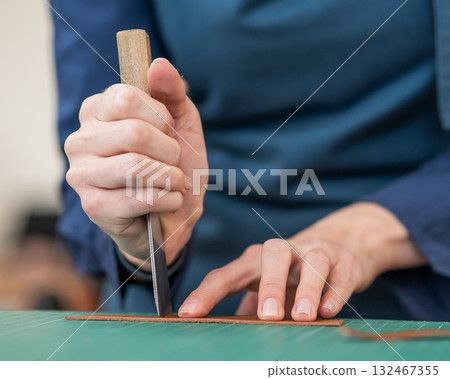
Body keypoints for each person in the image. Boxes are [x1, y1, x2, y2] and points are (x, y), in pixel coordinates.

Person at [51, 0, 450, 321]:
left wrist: (370, 230)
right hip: (188, 291)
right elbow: (94, 132)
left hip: (425, 274)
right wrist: (135, 239)